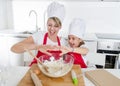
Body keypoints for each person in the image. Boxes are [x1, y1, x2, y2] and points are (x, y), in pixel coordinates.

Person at [11, 2, 65, 66]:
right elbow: (14, 48)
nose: (52, 29)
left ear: (60, 27)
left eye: (56, 26)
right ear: (46, 24)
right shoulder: (40, 36)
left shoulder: (63, 42)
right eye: (50, 25)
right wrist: (37, 46)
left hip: (54, 73)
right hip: (37, 70)